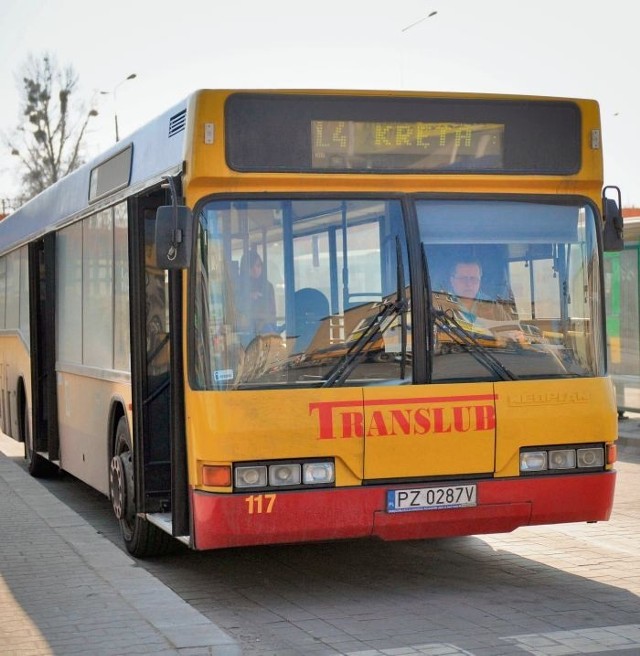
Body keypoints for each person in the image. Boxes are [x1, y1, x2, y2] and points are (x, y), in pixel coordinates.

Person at [237, 250, 277, 341]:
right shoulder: (239, 286)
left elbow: (272, 312)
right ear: (244, 268)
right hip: (246, 328)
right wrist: (248, 297)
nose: (255, 270)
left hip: (265, 326)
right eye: (251, 267)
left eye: (258, 266)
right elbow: (236, 309)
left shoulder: (268, 286)